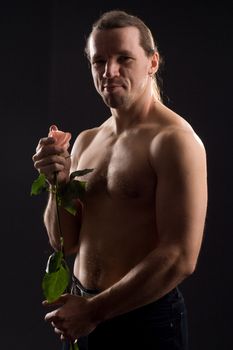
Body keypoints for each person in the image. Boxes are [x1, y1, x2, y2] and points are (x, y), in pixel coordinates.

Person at [32, 10, 207, 350]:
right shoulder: (86, 140)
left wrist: (95, 311)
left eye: (124, 58)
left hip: (144, 319)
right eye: (99, 61)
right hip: (85, 316)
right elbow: (64, 242)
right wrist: (57, 183)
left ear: (152, 62)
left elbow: (181, 256)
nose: (109, 72)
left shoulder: (173, 140)